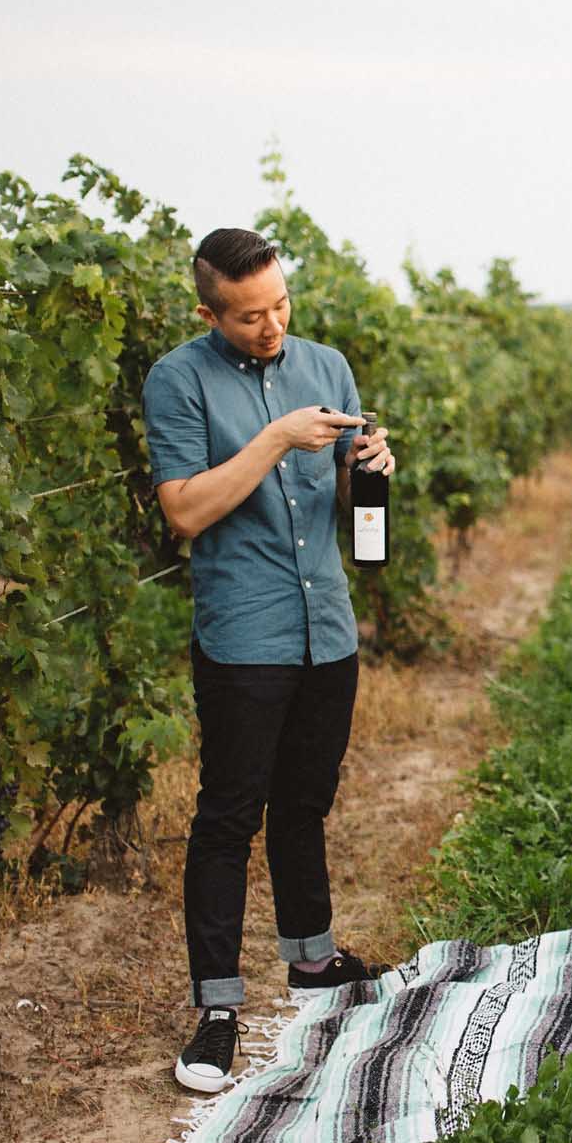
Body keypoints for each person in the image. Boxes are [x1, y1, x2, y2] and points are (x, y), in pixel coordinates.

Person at [142, 228, 397, 1093]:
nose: (272, 325)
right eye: (249, 315)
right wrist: (278, 439)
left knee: (305, 804)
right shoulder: (179, 380)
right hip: (243, 634)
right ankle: (216, 1011)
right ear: (208, 310)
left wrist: (374, 468)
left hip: (326, 624)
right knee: (226, 818)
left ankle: (312, 961)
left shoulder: (327, 365)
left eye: (280, 304)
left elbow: (348, 507)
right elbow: (185, 510)